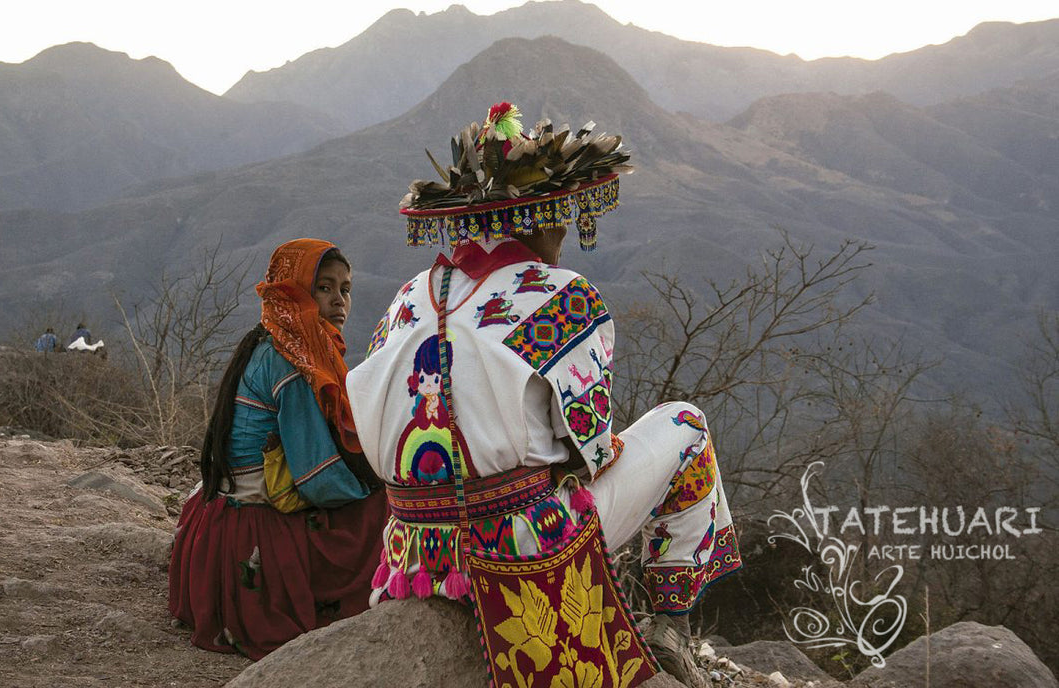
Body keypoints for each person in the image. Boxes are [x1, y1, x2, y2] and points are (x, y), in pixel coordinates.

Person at [347, 104, 742, 687]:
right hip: (517, 542)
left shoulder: (407, 297)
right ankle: (671, 631)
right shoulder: (562, 297)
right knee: (685, 425)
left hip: (415, 548)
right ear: (538, 218)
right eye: (560, 217)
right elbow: (594, 452)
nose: (564, 232)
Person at [168, 239, 387, 660]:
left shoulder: (271, 342)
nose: (339, 300)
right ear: (294, 291)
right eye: (324, 287)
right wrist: (378, 484)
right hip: (252, 529)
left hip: (214, 522)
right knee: (385, 506)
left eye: (345, 288)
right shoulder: (290, 360)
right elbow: (317, 478)